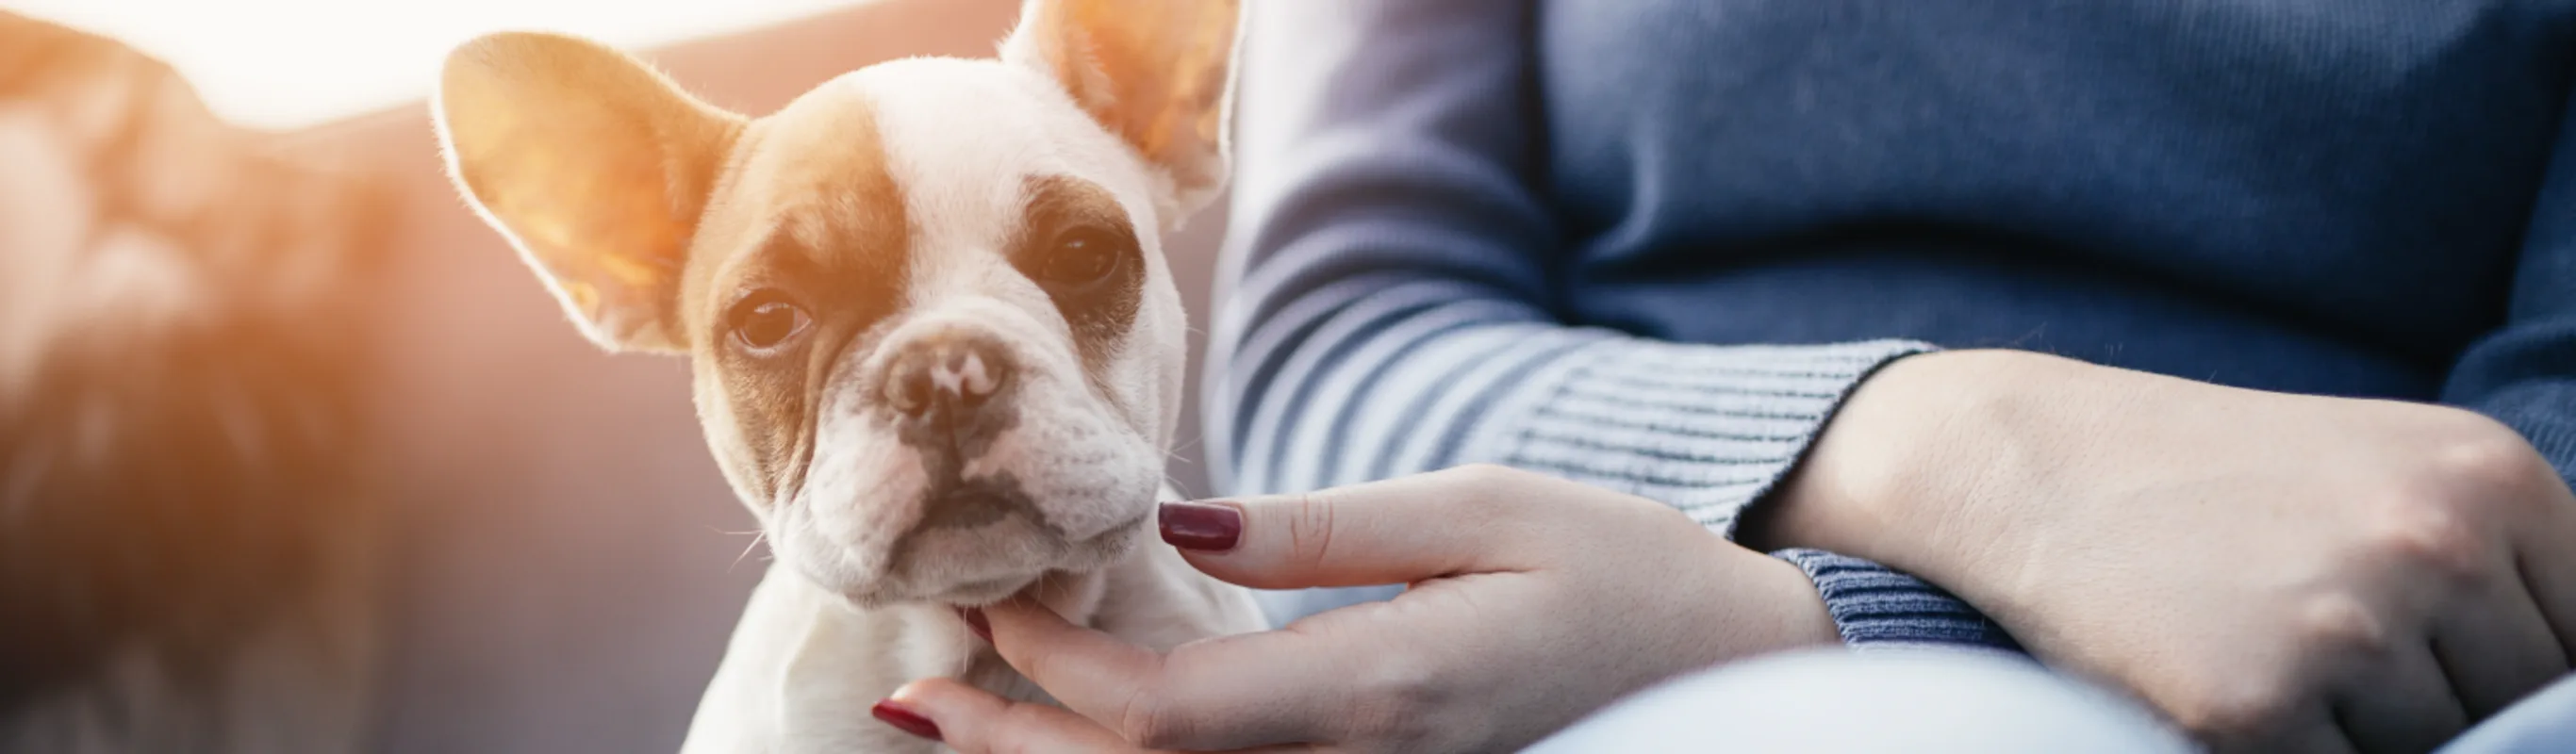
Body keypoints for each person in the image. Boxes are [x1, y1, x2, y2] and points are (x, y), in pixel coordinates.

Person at [866, 0, 2576, 750]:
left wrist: (1830, 620)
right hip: (1604, 647)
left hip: (2466, 665)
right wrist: (1966, 457)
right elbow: (1342, 349)